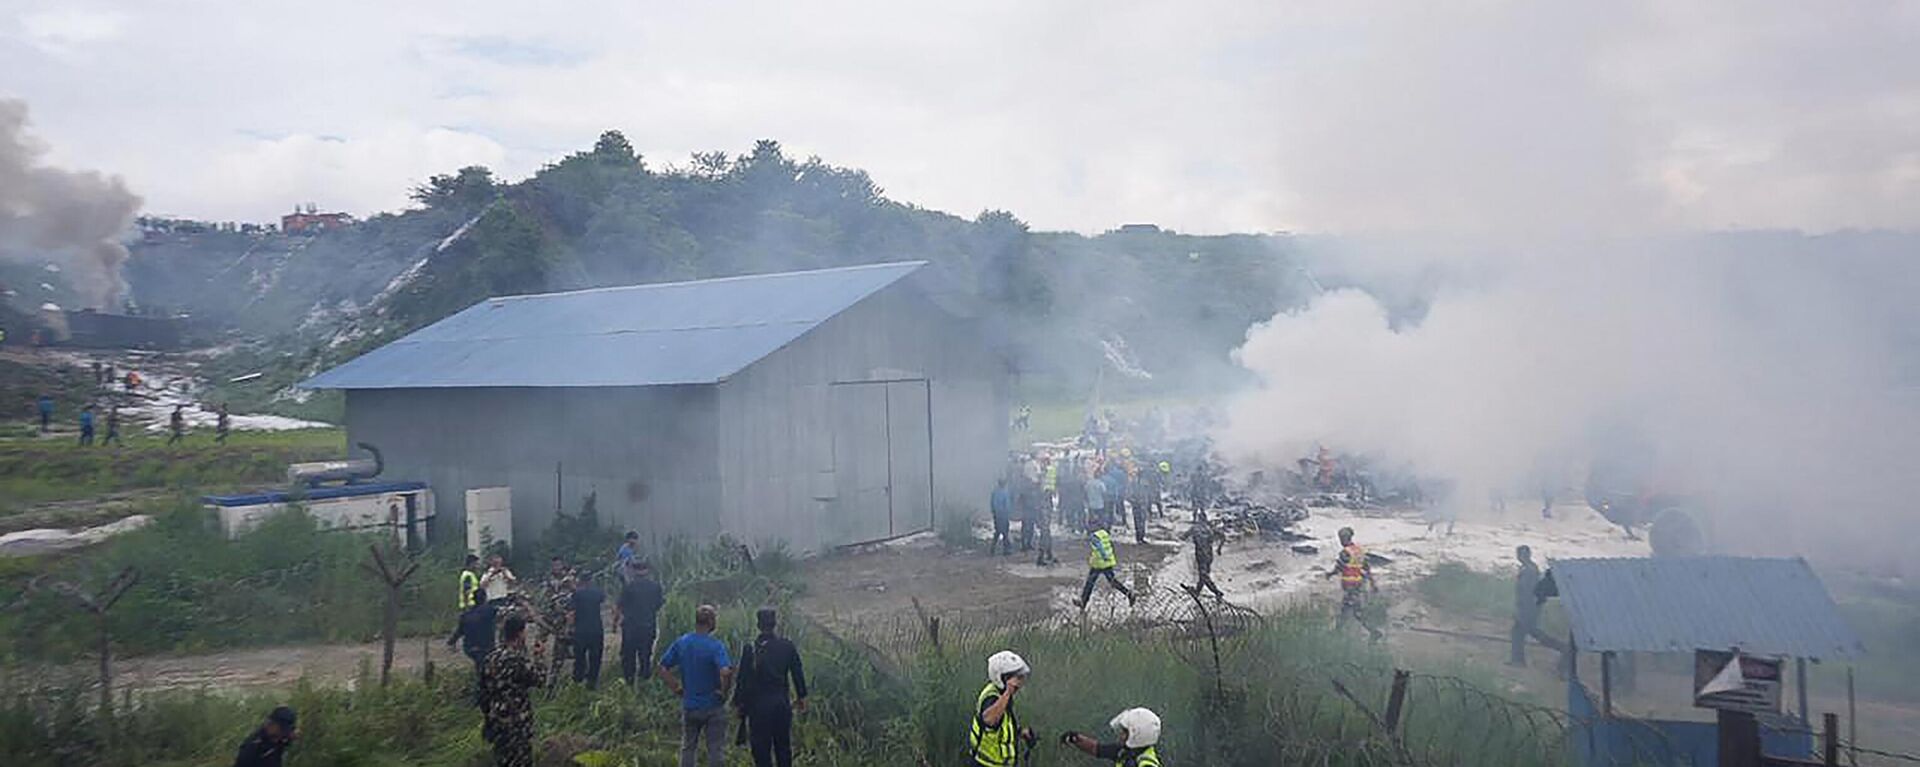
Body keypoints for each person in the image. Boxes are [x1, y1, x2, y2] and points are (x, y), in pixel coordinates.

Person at [659, 604, 735, 767]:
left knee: (688, 748)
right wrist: (724, 691)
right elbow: (726, 672)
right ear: (711, 622)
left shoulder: (682, 642)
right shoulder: (715, 646)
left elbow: (663, 667)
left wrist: (676, 687)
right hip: (712, 705)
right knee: (715, 749)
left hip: (690, 705)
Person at [734, 607, 809, 767]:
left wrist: (739, 704)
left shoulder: (751, 649)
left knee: (761, 749)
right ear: (775, 624)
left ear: (758, 625)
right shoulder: (787, 646)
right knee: (783, 747)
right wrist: (801, 696)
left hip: (758, 707)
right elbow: (797, 672)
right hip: (781, 704)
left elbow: (742, 679)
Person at [482, 615, 544, 767]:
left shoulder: (491, 658)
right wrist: (539, 657)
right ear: (520, 633)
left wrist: (488, 715)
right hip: (517, 721)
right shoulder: (517, 660)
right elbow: (539, 681)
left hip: (496, 718)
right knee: (521, 760)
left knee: (502, 759)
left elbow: (482, 690)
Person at [970, 650, 1036, 767]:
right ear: (1002, 677)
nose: (1019, 684)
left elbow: (1002, 727)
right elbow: (989, 720)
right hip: (985, 764)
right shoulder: (992, 696)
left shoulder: (1003, 695)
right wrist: (1008, 692)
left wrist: (1020, 732)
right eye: (1016, 678)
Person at [1509, 545, 1567, 667]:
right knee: (1525, 632)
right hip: (1529, 607)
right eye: (1519, 554)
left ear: (1527, 555)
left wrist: (1522, 609)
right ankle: (1518, 660)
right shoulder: (1528, 569)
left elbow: (1528, 593)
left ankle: (1563, 649)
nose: (1520, 557)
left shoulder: (1529, 571)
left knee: (1525, 633)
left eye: (1522, 554)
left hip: (1528, 608)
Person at [1324, 527, 1383, 640]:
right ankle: (1339, 631)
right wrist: (1373, 583)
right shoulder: (1359, 551)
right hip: (1358, 585)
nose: (1340, 540)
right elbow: (1367, 568)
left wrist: (1329, 574)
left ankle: (1374, 632)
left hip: (1350, 586)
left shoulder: (1345, 552)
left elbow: (1339, 568)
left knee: (1352, 611)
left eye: (1341, 538)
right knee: (1349, 610)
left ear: (1345, 538)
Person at [616, 559, 666, 686]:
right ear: (647, 571)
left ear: (634, 571)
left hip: (631, 628)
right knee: (645, 655)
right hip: (648, 626)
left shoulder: (628, 587)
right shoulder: (655, 587)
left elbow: (621, 605)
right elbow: (659, 604)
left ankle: (629, 683)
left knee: (629, 657)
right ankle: (645, 683)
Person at [1059, 707, 1163, 766]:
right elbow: (1097, 749)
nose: (1121, 736)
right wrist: (1075, 738)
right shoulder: (1125, 752)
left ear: (1137, 735)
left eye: (1125, 732)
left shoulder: (1147, 764)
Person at [1074, 523, 1135, 609]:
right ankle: (1129, 594)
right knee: (1112, 582)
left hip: (1100, 563)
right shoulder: (1103, 533)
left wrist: (1104, 557)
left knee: (1090, 582)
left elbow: (1100, 548)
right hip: (1105, 562)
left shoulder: (1094, 536)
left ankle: (1083, 602)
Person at [540, 558, 576, 686]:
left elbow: (575, 593)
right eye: (554, 565)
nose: (556, 567)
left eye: (558, 565)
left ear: (562, 566)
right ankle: (540, 667)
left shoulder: (569, 579)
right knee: (540, 640)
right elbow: (544, 596)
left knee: (561, 641)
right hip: (549, 614)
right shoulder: (548, 579)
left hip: (563, 616)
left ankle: (556, 675)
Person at [447, 587, 498, 678]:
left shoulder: (466, 615)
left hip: (470, 648)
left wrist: (451, 642)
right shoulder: (490, 610)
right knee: (487, 666)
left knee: (480, 665)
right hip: (487, 648)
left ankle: (480, 680)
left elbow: (459, 631)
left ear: (474, 600)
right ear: (485, 598)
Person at [231, 705, 298, 767]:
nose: (283, 733)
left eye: (286, 730)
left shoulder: (278, 739)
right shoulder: (253, 746)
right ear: (271, 723)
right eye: (282, 729)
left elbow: (283, 742)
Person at [571, 570, 606, 688]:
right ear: (591, 580)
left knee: (579, 657)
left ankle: (578, 680)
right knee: (595, 657)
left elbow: (572, 612)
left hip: (580, 630)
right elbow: (603, 600)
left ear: (581, 581)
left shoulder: (577, 594)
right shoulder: (598, 593)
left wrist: (569, 628)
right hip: (596, 629)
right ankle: (592, 682)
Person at [1181, 511, 1226, 599]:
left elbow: (1183, 537)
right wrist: (1219, 548)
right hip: (1209, 555)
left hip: (1200, 554)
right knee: (1204, 575)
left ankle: (1217, 592)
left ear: (1198, 519)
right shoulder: (1210, 528)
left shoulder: (1195, 528)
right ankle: (1197, 592)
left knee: (1204, 575)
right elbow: (1223, 536)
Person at [1057, 459, 1087, 533]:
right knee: (1080, 514)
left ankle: (1072, 526)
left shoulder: (1070, 481)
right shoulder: (1081, 482)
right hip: (1079, 500)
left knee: (1072, 514)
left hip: (1072, 500)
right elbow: (1084, 491)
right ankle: (1081, 527)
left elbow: (1067, 492)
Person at [990, 478, 1014, 556]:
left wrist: (994, 512)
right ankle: (1006, 550)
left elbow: (992, 504)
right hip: (1003, 515)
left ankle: (992, 548)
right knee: (1004, 532)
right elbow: (1007, 506)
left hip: (996, 515)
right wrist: (1008, 514)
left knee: (997, 531)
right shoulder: (1005, 493)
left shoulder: (994, 492)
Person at [1084, 466, 1108, 532]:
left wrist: (1087, 501)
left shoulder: (1089, 483)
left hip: (1091, 504)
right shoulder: (1101, 484)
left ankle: (1090, 530)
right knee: (1100, 518)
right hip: (1100, 504)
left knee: (1091, 518)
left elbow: (1085, 492)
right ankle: (1099, 529)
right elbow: (1104, 493)